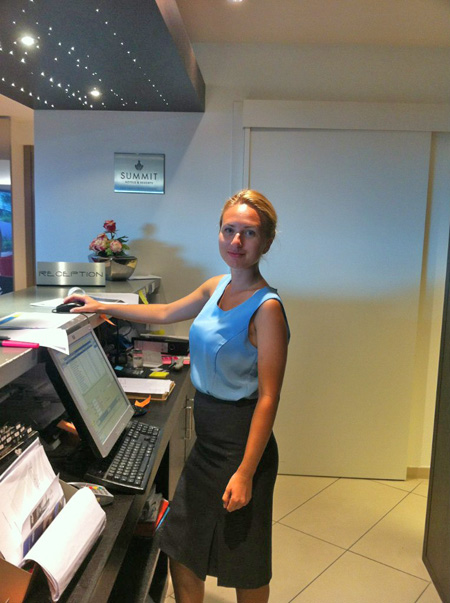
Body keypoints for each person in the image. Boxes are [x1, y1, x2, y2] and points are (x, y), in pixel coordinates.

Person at [64, 189, 289, 603]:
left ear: (267, 242)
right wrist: (102, 306)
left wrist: (245, 472)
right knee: (180, 548)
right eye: (229, 230)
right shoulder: (216, 286)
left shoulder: (267, 309)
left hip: (241, 443)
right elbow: (165, 313)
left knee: (245, 558)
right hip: (209, 440)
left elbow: (269, 398)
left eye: (249, 233)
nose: (236, 241)